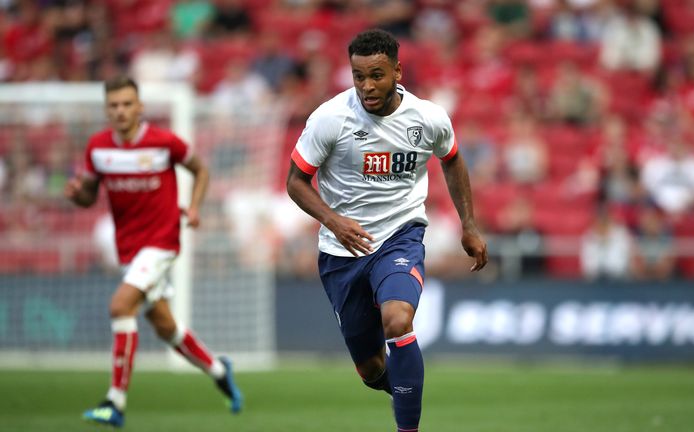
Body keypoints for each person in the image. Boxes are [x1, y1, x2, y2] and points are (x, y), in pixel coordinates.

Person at [286, 29, 488, 432]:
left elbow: (452, 159)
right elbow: (295, 181)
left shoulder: (428, 117)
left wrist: (469, 224)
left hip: (401, 236)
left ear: (397, 71)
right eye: (358, 76)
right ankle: (406, 389)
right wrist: (333, 220)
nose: (366, 86)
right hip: (342, 251)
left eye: (376, 75)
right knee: (371, 367)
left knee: (398, 319)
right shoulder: (330, 119)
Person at [64, 77, 242, 428]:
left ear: (140, 107)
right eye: (114, 106)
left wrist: (193, 207)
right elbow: (88, 197)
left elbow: (200, 169)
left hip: (162, 243)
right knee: (164, 326)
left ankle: (114, 402)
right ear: (107, 110)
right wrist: (77, 195)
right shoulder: (98, 149)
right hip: (128, 249)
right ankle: (220, 370)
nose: (120, 111)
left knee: (120, 306)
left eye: (127, 104)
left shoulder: (164, 143)